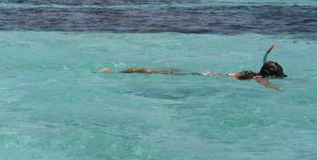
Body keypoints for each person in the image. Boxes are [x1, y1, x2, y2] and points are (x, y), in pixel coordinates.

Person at [100, 45, 287, 90]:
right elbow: (264, 82)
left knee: (158, 71)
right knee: (157, 73)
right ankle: (113, 72)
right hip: (208, 76)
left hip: (208, 74)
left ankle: (119, 71)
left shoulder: (251, 73)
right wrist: (278, 89)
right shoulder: (256, 77)